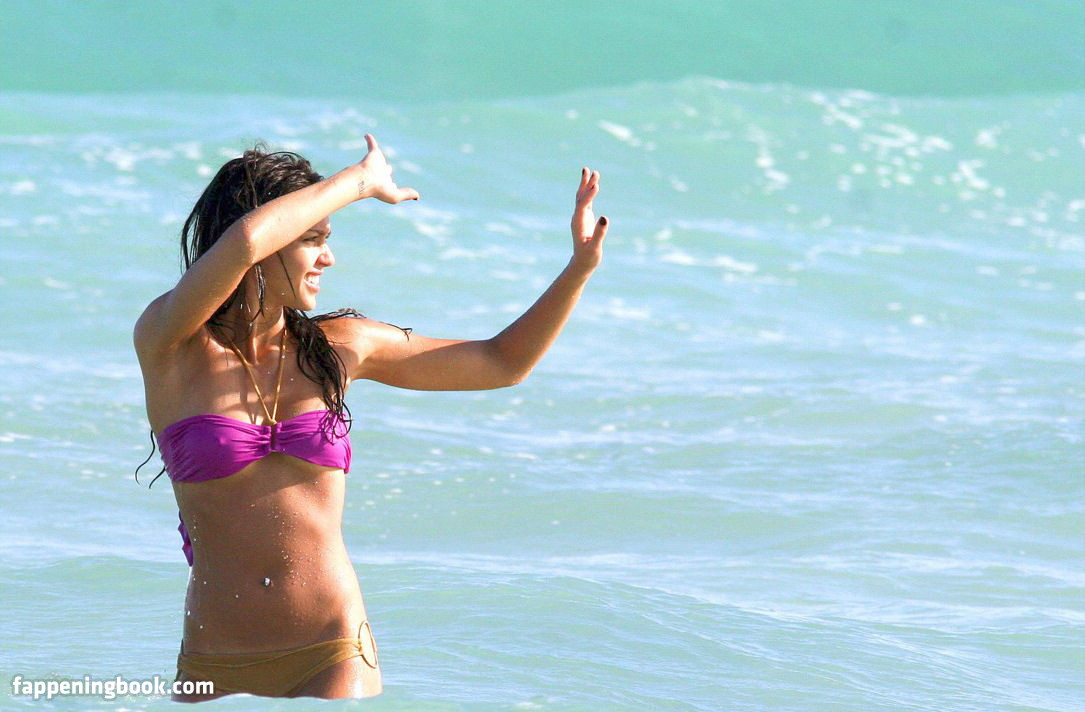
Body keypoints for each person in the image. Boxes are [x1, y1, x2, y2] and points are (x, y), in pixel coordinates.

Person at [133, 134, 608, 701]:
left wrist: (578, 270)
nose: (328, 258)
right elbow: (246, 241)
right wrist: (358, 182)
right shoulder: (171, 345)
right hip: (216, 657)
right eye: (311, 240)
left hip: (334, 648)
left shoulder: (339, 348)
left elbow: (502, 363)